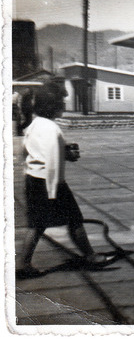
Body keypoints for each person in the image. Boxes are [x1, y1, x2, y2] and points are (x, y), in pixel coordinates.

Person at [16, 81, 117, 278]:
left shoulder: (34, 124)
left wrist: (62, 154)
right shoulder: (52, 129)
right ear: (52, 106)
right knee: (75, 219)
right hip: (51, 183)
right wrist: (54, 192)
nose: (64, 106)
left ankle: (24, 264)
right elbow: (52, 162)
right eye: (62, 102)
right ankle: (90, 257)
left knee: (36, 224)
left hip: (34, 179)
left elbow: (28, 152)